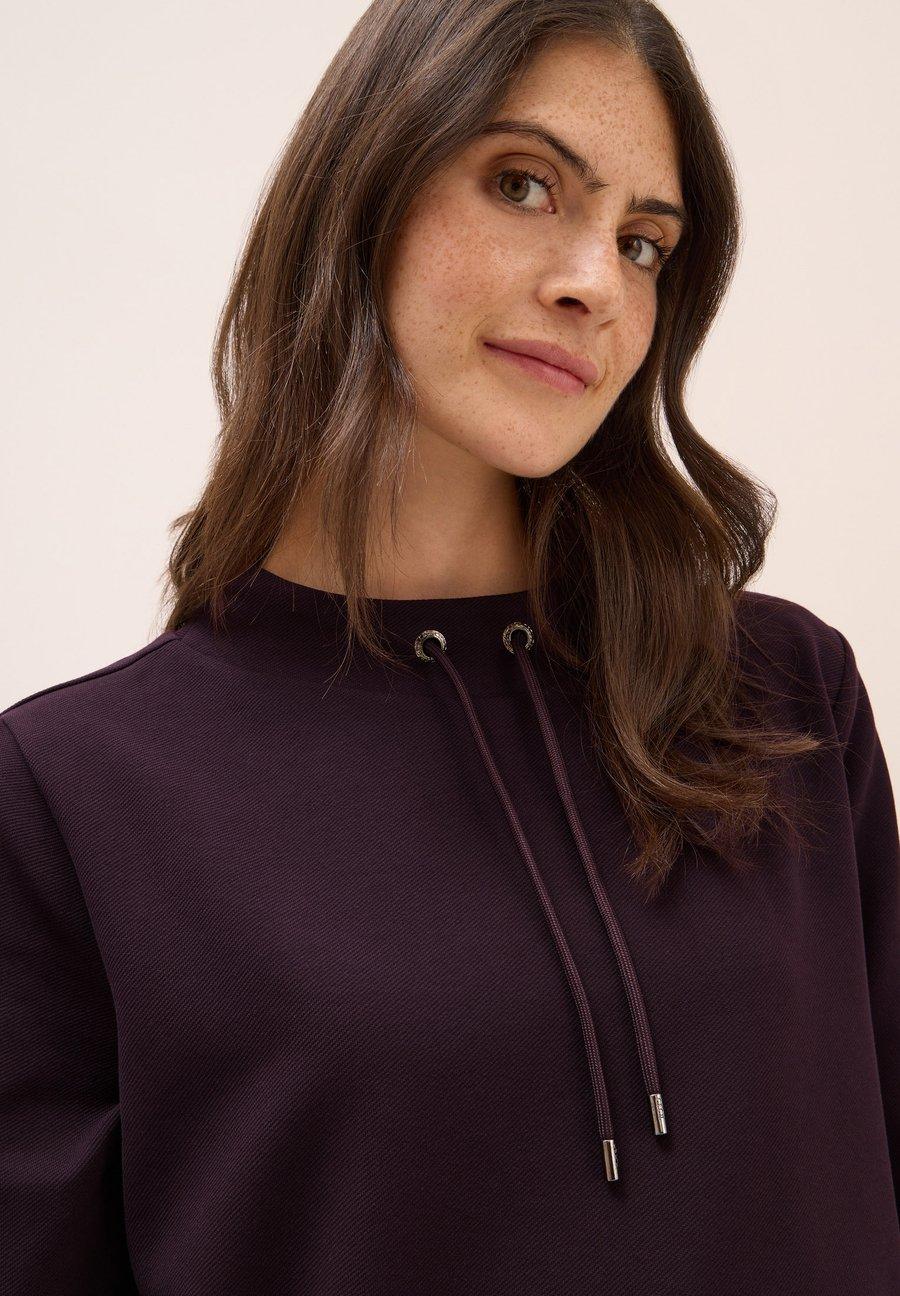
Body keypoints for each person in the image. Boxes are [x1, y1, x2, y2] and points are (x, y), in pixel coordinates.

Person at [2, 2, 897, 1293]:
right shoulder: (72, 793)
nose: (596, 283)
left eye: (644, 243)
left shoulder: (785, 695)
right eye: (524, 184)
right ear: (360, 190)